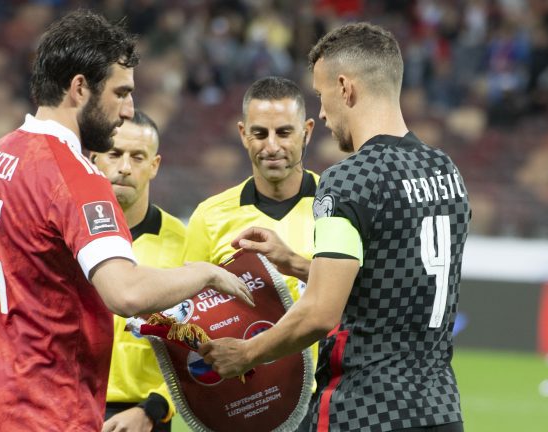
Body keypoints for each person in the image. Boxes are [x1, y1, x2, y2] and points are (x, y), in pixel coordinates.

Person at [0, 11, 252, 432]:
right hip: (43, 409)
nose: (129, 110)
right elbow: (125, 292)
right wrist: (205, 273)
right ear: (79, 88)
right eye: (121, 93)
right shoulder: (77, 176)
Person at [200, 22, 470, 432]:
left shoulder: (349, 180)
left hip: (363, 411)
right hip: (440, 410)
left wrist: (246, 354)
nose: (323, 113)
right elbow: (389, 282)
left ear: (345, 88)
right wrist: (295, 263)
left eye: (322, 95)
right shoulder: (446, 172)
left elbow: (320, 313)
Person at [183, 75, 317, 308]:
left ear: (307, 132)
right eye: (260, 134)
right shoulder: (209, 216)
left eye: (284, 133)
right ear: (243, 134)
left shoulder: (340, 204)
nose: (272, 147)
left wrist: (295, 264)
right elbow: (190, 311)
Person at [93, 110, 184, 431]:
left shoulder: (184, 244)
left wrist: (154, 409)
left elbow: (201, 346)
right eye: (114, 154)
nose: (124, 167)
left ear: (154, 165)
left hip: (145, 417)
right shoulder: (64, 236)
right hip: (66, 408)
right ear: (94, 158)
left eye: (137, 157)